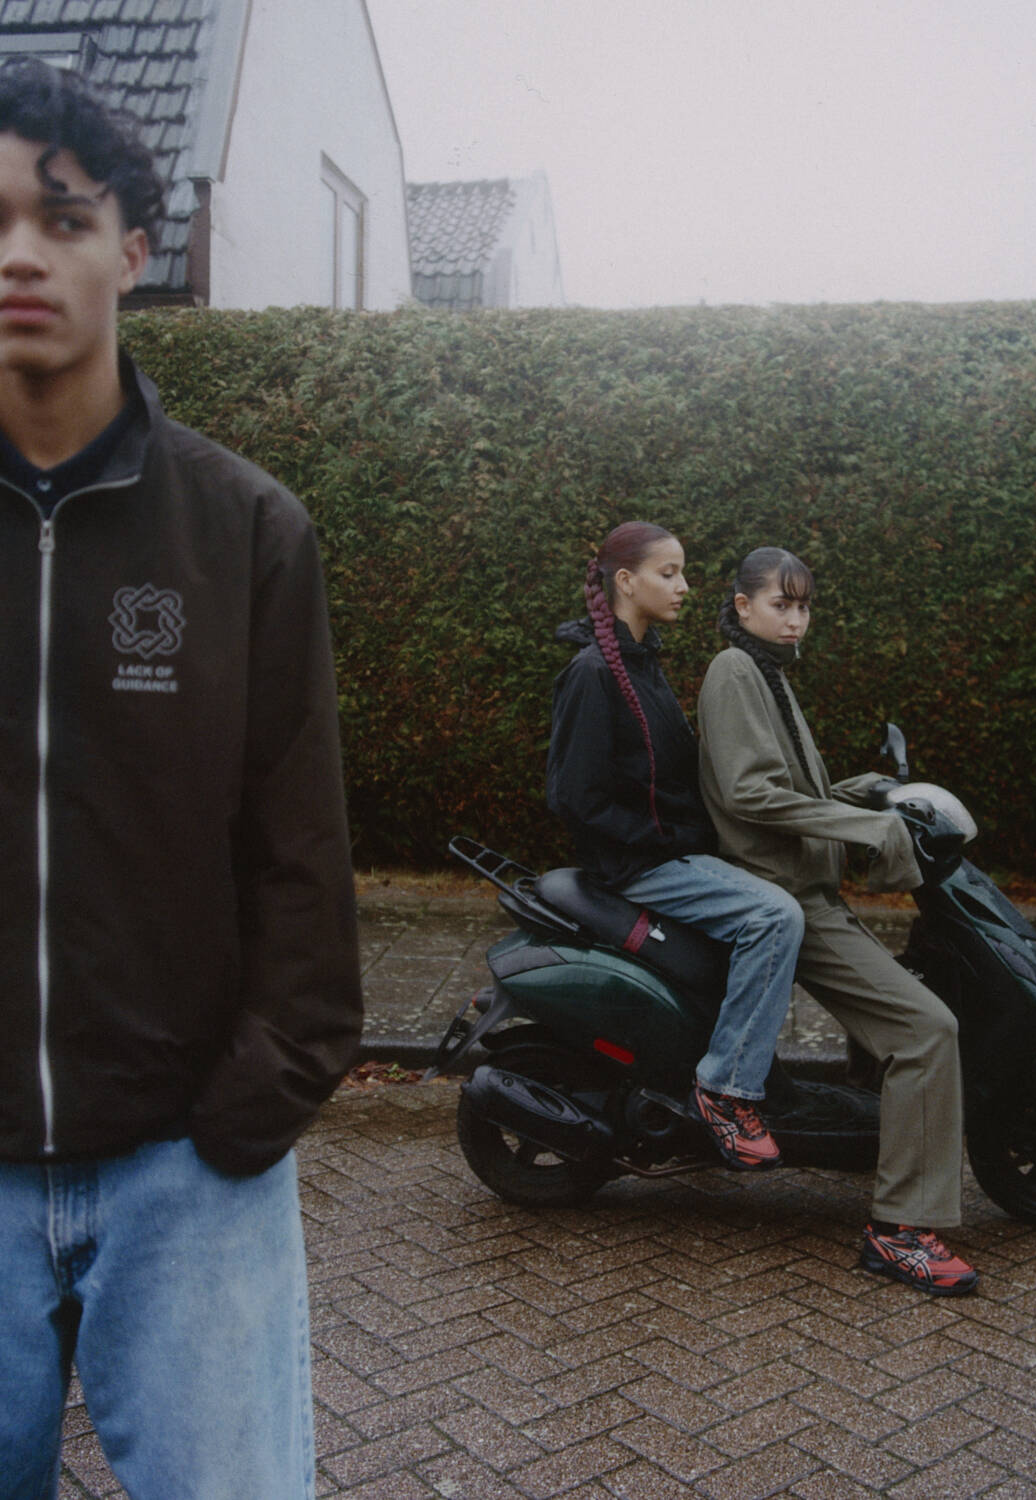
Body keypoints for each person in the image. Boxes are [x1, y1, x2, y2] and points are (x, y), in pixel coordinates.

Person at [0, 60, 362, 1498]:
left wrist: (246, 1112)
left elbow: (301, 852)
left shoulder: (246, 531)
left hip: (188, 1178)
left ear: (134, 251)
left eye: (62, 218)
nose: (19, 254)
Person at [697, 546, 977, 1296]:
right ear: (743, 605)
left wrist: (866, 791)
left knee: (911, 1021)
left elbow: (792, 786)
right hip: (790, 900)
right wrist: (865, 828)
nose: (795, 620)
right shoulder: (735, 672)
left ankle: (885, 1160)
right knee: (927, 1031)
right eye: (781, 604)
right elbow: (749, 794)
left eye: (804, 607)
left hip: (811, 892)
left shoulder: (768, 673)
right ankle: (900, 1232)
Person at [546, 521, 807, 1171]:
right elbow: (574, 796)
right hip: (639, 866)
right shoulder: (592, 673)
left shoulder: (643, 662)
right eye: (669, 573)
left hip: (671, 852)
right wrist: (665, 839)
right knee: (775, 917)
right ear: (626, 582)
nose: (685, 586)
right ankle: (726, 1089)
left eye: (682, 572)